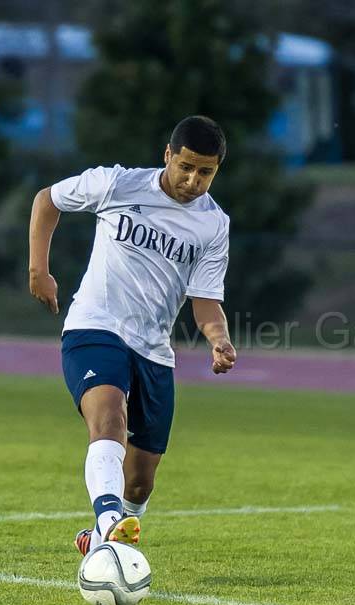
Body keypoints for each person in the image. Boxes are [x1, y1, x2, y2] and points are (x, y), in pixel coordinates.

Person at [28, 115, 237, 556]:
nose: (193, 180)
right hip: (95, 326)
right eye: (186, 167)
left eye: (206, 172)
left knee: (140, 481)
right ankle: (108, 524)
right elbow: (48, 200)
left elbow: (204, 300)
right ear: (168, 155)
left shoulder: (214, 225)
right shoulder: (117, 184)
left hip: (155, 350)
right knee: (109, 418)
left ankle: (105, 531)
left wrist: (218, 338)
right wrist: (39, 271)